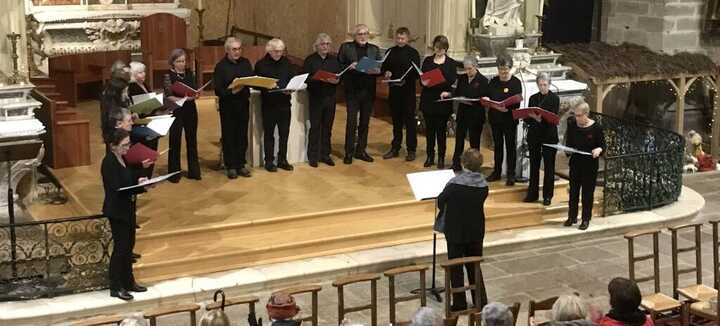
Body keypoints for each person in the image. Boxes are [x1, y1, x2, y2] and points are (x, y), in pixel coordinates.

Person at [437, 148, 488, 311]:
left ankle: (459, 302)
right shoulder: (483, 185)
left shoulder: (454, 184)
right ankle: (480, 300)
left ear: (463, 163)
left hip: (456, 230)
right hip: (476, 230)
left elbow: (441, 201)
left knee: (456, 267)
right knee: (474, 265)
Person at [101, 128, 148, 301]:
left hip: (128, 208)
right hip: (117, 210)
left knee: (129, 247)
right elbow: (117, 188)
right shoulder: (108, 162)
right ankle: (115, 286)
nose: (128, 148)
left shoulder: (123, 159)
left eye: (129, 144)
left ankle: (129, 282)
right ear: (113, 146)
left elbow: (129, 178)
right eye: (124, 145)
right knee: (120, 249)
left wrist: (141, 181)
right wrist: (138, 185)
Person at [338, 24, 382, 164]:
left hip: (368, 91)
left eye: (365, 34)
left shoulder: (374, 49)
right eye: (360, 34)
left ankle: (361, 150)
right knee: (352, 122)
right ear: (354, 36)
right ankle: (349, 152)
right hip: (352, 90)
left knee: (364, 122)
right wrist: (348, 67)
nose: (363, 36)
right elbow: (338, 65)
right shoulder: (346, 47)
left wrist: (377, 71)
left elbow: (380, 66)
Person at [214, 37, 254, 178]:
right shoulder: (221, 66)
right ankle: (230, 166)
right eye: (234, 49)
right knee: (229, 135)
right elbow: (218, 90)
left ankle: (241, 164)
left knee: (242, 135)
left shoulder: (245, 63)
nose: (237, 52)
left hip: (243, 104)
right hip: (228, 105)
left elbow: (251, 79)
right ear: (227, 51)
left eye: (239, 49)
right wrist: (232, 91)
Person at [255, 38, 295, 172]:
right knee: (269, 134)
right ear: (269, 50)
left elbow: (292, 78)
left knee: (284, 133)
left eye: (281, 51)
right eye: (276, 51)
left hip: (284, 104)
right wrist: (266, 87)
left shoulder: (287, 62)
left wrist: (291, 88)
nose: (279, 54)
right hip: (269, 105)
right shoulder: (261, 64)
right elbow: (256, 83)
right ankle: (269, 161)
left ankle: (282, 159)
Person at [381, 27, 421, 162]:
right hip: (394, 91)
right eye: (398, 38)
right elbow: (384, 67)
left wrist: (406, 78)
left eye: (402, 38)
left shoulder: (413, 53)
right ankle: (395, 148)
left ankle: (411, 150)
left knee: (410, 122)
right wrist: (387, 73)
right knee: (396, 122)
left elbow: (416, 73)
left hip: (408, 92)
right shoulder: (390, 51)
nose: (399, 40)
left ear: (407, 38)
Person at [564, 101, 605, 230]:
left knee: (587, 193)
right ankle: (572, 217)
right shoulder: (572, 125)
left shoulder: (596, 127)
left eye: (579, 115)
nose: (577, 118)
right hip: (576, 163)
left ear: (586, 114)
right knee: (573, 191)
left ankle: (586, 219)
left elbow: (602, 145)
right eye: (575, 115)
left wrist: (598, 150)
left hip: (589, 165)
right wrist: (567, 150)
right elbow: (569, 142)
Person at [419, 35, 458, 169]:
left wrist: (438, 81)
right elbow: (422, 80)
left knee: (441, 131)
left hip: (442, 100)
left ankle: (441, 157)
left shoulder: (451, 63)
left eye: (441, 49)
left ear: (445, 49)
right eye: (436, 48)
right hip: (429, 99)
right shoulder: (428, 61)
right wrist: (426, 81)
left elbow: (451, 80)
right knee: (429, 131)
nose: (438, 50)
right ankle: (430, 156)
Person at [303, 33, 341, 167]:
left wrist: (336, 80)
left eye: (328, 44)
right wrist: (317, 78)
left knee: (327, 128)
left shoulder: (334, 60)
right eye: (323, 44)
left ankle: (325, 154)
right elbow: (305, 78)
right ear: (317, 46)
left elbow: (339, 76)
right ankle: (313, 156)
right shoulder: (310, 60)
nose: (326, 46)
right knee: (315, 128)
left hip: (330, 97)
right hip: (316, 98)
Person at [165, 48, 201, 182]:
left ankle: (194, 171)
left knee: (192, 141)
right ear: (173, 62)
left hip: (190, 110)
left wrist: (195, 94)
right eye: (179, 61)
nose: (182, 64)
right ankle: (174, 174)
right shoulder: (168, 76)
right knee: (175, 142)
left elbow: (194, 89)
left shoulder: (189, 73)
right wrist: (184, 99)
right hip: (176, 111)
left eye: (184, 61)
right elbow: (169, 96)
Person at [485, 56, 522, 185]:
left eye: (506, 70)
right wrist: (489, 101)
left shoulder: (516, 82)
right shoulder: (493, 81)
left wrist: (506, 107)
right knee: (498, 146)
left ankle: (511, 174)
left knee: (510, 147)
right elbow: (488, 97)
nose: (503, 73)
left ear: (510, 68)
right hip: (496, 119)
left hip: (509, 120)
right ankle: (497, 171)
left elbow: (517, 102)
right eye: (501, 70)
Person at [524, 72, 560, 205]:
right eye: (540, 85)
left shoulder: (554, 98)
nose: (543, 87)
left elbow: (554, 119)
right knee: (534, 166)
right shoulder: (533, 98)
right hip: (534, 136)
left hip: (549, 136)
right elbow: (528, 118)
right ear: (537, 85)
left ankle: (547, 196)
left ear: (549, 84)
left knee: (549, 167)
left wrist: (541, 119)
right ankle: (532, 194)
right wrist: (532, 117)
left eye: (545, 85)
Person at [451, 55, 489, 172]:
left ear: (475, 66)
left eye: (469, 69)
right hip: (463, 113)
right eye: (465, 69)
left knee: (474, 141)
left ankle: (474, 165)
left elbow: (484, 97)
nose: (467, 71)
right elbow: (457, 92)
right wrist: (453, 96)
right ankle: (456, 163)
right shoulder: (462, 78)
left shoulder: (483, 80)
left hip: (475, 115)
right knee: (459, 139)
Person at [127, 61, 160, 178]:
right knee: (145, 151)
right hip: (140, 124)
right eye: (140, 72)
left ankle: (148, 176)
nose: (143, 74)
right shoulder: (132, 87)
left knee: (152, 148)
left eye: (144, 71)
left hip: (149, 120)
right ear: (133, 75)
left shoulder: (144, 85)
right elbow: (134, 108)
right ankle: (142, 177)